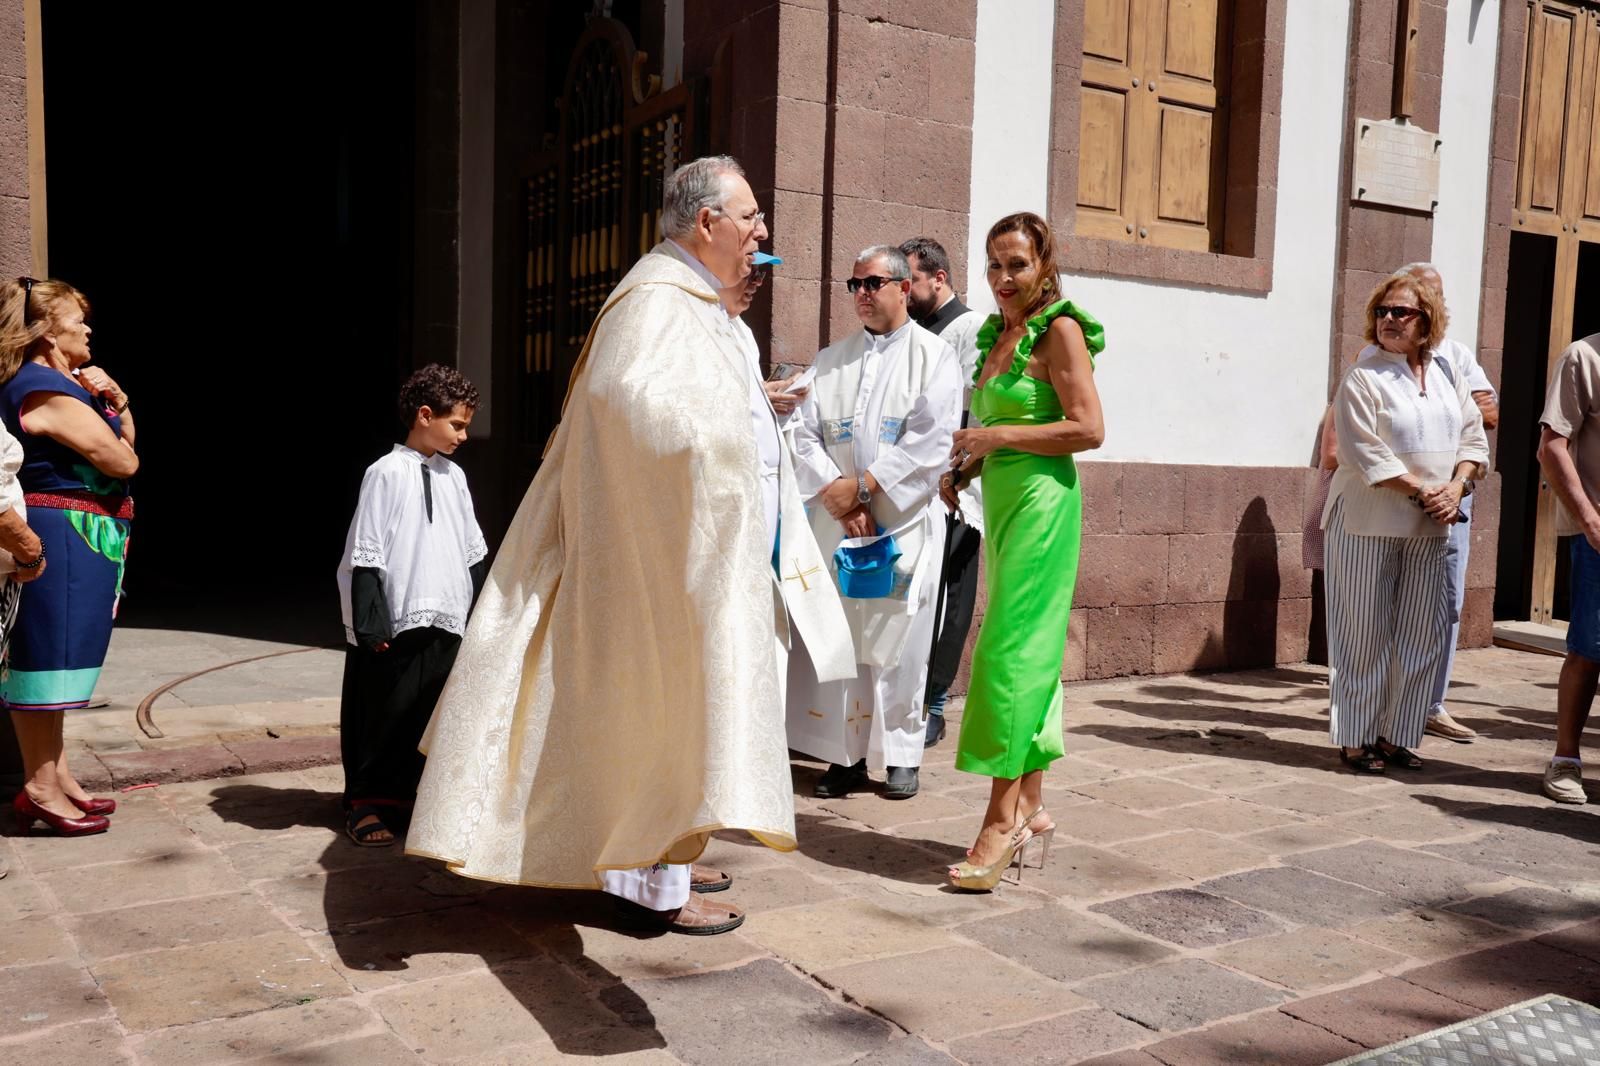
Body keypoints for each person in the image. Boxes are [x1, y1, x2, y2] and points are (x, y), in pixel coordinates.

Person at [406, 156, 852, 935]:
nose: (762, 229)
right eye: (749, 215)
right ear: (705, 222)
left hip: (688, 545)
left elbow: (697, 396)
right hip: (655, 550)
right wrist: (723, 435)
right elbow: (633, 404)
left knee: (680, 707)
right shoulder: (654, 300)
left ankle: (667, 846)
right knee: (655, 702)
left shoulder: (691, 300)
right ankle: (652, 888)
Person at [944, 212, 1104, 891]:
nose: (1003, 279)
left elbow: (1089, 428)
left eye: (1016, 264)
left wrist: (994, 437)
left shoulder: (1060, 330)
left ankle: (999, 817)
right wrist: (967, 469)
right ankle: (1032, 806)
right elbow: (1005, 431)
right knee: (1028, 652)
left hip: (1044, 505)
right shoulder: (1000, 333)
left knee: (1008, 653)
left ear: (1044, 265)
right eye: (993, 265)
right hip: (1005, 504)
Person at [786, 245, 960, 801]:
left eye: (873, 283)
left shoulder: (934, 358)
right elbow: (801, 433)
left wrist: (864, 488)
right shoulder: (831, 359)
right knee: (842, 638)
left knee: (900, 642)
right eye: (854, 284)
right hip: (842, 524)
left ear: (905, 288)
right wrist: (840, 499)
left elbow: (930, 442)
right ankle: (846, 755)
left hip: (901, 524)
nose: (861, 293)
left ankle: (902, 755)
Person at [1321, 271, 1488, 775]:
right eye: (1382, 312)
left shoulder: (1445, 374)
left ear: (1427, 321)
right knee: (1362, 635)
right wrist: (1425, 491)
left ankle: (1399, 734)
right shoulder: (1364, 375)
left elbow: (1474, 441)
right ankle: (1356, 736)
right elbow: (1363, 451)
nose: (1389, 320)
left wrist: (1457, 486)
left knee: (1421, 635)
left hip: (1430, 527)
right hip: (1366, 524)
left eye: (1401, 312)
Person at [0, 277, 135, 837]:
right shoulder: (42, 387)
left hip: (83, 534)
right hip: (60, 533)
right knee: (44, 660)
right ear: (46, 332)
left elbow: (124, 446)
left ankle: (59, 776)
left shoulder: (67, 384)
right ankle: (38, 787)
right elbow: (122, 462)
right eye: (77, 319)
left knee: (62, 661)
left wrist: (118, 400)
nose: (86, 328)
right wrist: (114, 414)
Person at [336, 364, 488, 847]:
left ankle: (410, 800)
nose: (463, 435)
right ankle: (365, 803)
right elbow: (368, 548)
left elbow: (471, 549)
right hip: (398, 617)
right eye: (457, 424)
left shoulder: (456, 476)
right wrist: (370, 620)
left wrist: (483, 610)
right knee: (384, 709)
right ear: (425, 415)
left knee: (427, 714)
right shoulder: (384, 472)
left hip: (448, 614)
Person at [900, 237, 987, 749]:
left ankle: (934, 703)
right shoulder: (909, 329)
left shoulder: (969, 328)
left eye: (911, 280)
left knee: (951, 594)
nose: (904, 290)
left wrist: (958, 474)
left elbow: (971, 408)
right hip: (913, 483)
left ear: (939, 277)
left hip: (957, 483)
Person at [1535, 329, 1600, 804]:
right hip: (1599, 533)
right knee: (1589, 646)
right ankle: (1566, 758)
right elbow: (1552, 447)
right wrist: (1589, 520)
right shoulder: (1584, 357)